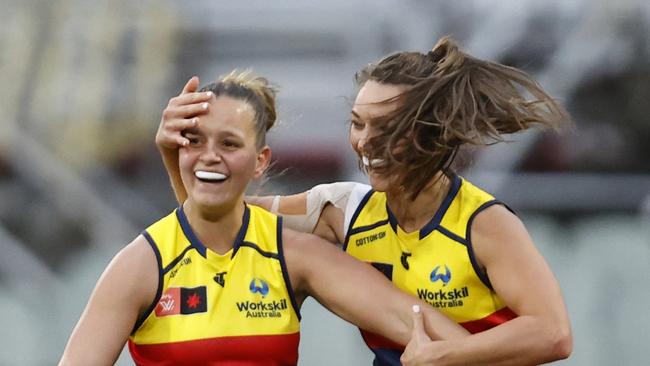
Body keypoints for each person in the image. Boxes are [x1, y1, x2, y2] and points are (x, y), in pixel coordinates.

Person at [156, 37, 573, 365]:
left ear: (431, 131)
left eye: (386, 127)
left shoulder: (483, 222)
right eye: (357, 123)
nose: (365, 142)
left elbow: (553, 333)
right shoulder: (343, 210)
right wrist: (172, 154)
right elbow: (215, 220)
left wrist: (446, 354)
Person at [58, 70, 469, 366]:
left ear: (260, 163)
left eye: (229, 143)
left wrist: (462, 354)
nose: (210, 155)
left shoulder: (293, 255)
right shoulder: (141, 265)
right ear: (178, 148)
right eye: (194, 141)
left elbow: (415, 324)